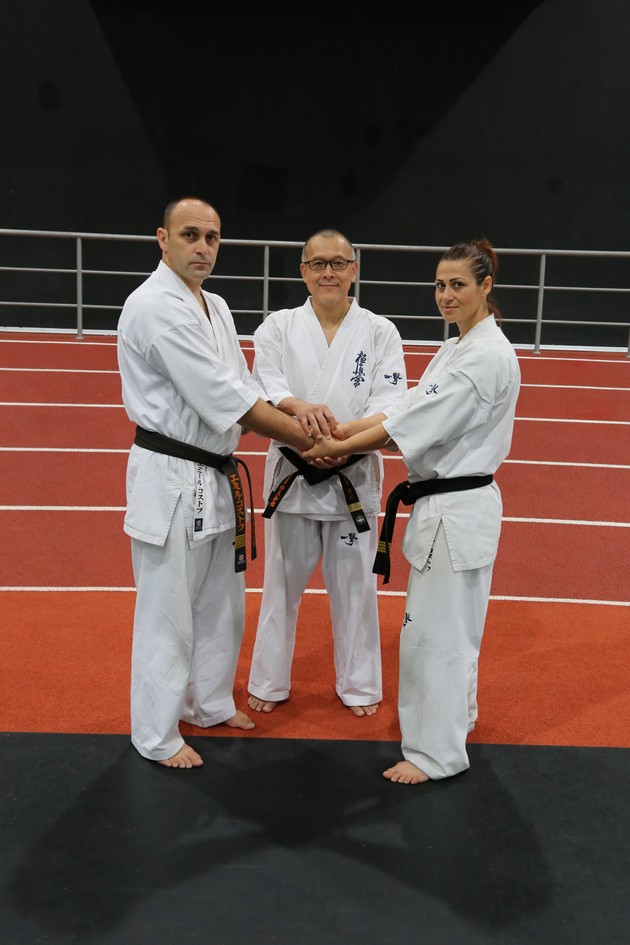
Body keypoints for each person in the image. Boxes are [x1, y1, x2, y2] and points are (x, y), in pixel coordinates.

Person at [300, 238, 521, 781]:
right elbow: (408, 404)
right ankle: (457, 722)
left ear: (486, 287)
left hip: (455, 509)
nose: (446, 295)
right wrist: (347, 430)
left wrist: (337, 448)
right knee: (454, 629)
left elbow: (410, 426)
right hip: (451, 508)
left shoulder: (484, 356)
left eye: (458, 285)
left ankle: (433, 754)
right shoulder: (460, 346)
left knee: (434, 637)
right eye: (440, 285)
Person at [117, 197, 314, 769]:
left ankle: (208, 704)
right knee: (167, 610)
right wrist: (312, 442)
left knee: (220, 604)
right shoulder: (153, 306)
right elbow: (223, 398)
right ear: (162, 238)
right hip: (170, 473)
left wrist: (296, 409)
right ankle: (155, 734)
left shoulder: (217, 306)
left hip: (216, 473)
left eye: (212, 237)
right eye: (190, 235)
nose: (203, 247)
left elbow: (244, 383)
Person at [246, 228, 407, 717]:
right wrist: (301, 411)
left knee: (356, 590)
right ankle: (269, 681)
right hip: (292, 472)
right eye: (318, 264)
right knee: (279, 589)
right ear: (304, 272)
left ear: (354, 269)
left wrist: (340, 440)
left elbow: (392, 402)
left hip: (352, 473)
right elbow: (265, 386)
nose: (328, 272)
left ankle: (359, 685)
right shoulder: (277, 326)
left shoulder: (380, 331)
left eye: (338, 263)